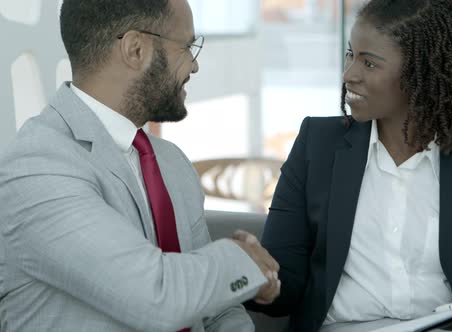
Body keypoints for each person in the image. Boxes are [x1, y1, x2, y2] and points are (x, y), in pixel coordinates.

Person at [246, 0, 452, 331]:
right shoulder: (318, 144)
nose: (349, 75)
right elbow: (285, 283)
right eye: (350, 55)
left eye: (369, 64)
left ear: (423, 73)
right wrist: (260, 280)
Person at [0, 0, 280, 331]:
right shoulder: (35, 168)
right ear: (135, 50)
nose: (194, 65)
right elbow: (157, 297)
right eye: (187, 46)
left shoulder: (171, 162)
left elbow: (215, 308)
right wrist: (243, 262)